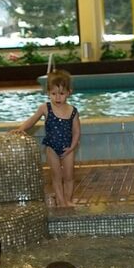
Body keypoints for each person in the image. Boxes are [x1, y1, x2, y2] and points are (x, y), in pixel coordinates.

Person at [11, 69, 80, 208]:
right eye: (53, 94)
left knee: (69, 176)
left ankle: (68, 199)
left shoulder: (72, 111)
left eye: (61, 94)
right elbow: (32, 120)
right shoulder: (45, 108)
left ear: (69, 92)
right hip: (51, 148)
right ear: (48, 93)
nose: (57, 98)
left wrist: (72, 147)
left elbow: (77, 132)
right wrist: (21, 128)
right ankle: (61, 201)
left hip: (68, 148)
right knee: (56, 176)